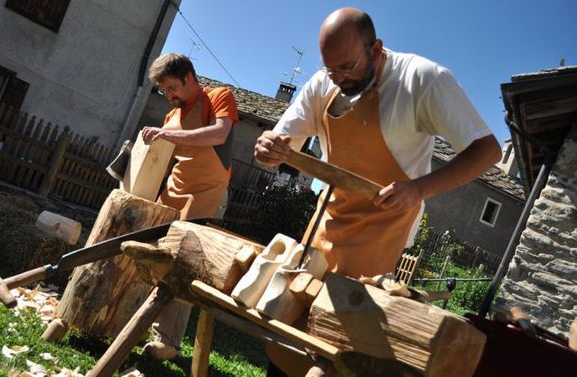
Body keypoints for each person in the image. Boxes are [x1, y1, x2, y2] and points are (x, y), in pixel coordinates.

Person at [254, 7, 501, 376]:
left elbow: (487, 151)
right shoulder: (327, 82)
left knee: (339, 342)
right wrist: (270, 148)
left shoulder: (423, 79)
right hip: (327, 221)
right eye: (330, 69)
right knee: (288, 327)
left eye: (347, 67)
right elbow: (283, 139)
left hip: (381, 233)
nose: (337, 78)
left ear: (376, 49)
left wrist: (418, 189)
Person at [140, 53, 238, 360]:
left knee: (183, 265)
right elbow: (162, 157)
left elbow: (219, 133)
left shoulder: (219, 96)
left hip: (207, 193)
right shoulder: (172, 116)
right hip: (174, 191)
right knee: (147, 252)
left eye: (171, 88)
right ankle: (133, 318)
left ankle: (167, 342)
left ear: (189, 77)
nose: (168, 96)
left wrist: (167, 134)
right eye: (163, 91)